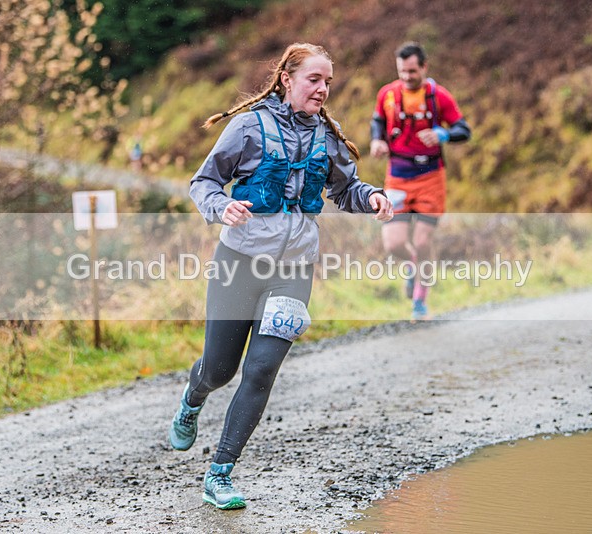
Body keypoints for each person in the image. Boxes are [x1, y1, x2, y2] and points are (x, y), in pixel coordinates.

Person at [169, 42, 393, 510]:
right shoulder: (249, 127)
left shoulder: (325, 137)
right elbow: (203, 182)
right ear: (287, 79)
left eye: (329, 81)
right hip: (239, 263)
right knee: (220, 369)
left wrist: (370, 197)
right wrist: (220, 206)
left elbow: (345, 188)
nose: (323, 89)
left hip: (293, 270)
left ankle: (220, 474)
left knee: (262, 368)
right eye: (315, 79)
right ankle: (194, 397)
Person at [370, 42, 471, 320]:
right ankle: (415, 268)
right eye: (402, 71)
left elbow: (464, 129)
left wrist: (443, 135)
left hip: (430, 177)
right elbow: (378, 121)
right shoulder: (387, 94)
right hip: (397, 176)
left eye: (412, 71)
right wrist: (377, 140)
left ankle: (420, 303)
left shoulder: (439, 97)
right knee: (393, 244)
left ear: (424, 67)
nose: (406, 77)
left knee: (424, 241)